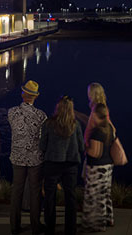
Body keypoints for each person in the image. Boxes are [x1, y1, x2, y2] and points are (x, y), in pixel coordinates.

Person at [39, 95, 84, 235]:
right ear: (71, 109)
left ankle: (50, 228)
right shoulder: (75, 125)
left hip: (52, 163)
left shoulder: (48, 123)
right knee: (70, 197)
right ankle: (70, 229)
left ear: (57, 108)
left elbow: (42, 145)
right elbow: (81, 147)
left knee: (49, 197)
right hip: (70, 165)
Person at [8, 80, 47, 235]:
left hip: (17, 157)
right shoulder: (41, 116)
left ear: (23, 94)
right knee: (35, 192)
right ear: (35, 97)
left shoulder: (11, 112)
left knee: (16, 191)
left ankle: (14, 226)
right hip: (35, 159)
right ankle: (35, 226)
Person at [81, 103, 116, 232]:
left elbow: (95, 153)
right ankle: (108, 218)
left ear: (96, 115)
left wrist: (84, 146)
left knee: (95, 197)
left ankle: (96, 224)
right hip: (108, 166)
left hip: (97, 168)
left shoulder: (97, 131)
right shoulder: (109, 128)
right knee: (105, 194)